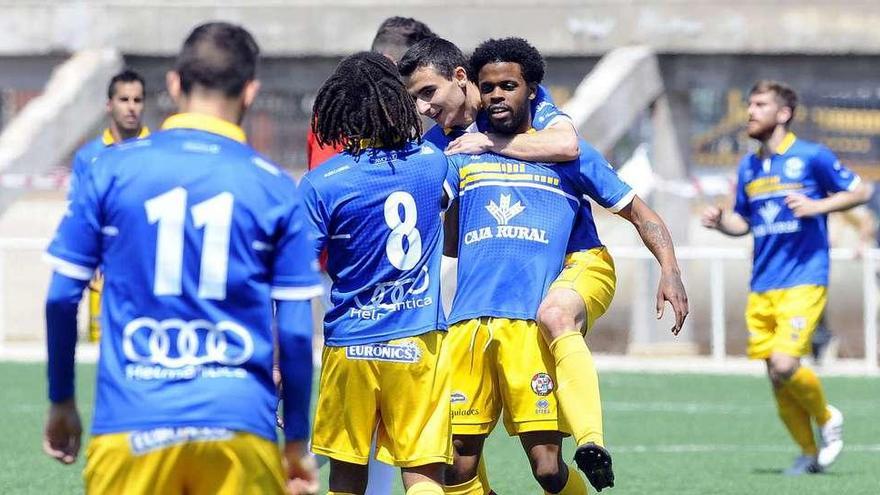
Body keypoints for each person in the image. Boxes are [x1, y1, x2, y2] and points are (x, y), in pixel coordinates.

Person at [42, 21, 322, 494]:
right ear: (250, 91)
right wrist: (295, 439)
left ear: (173, 84)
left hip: (132, 424)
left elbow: (60, 297)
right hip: (238, 427)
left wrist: (62, 400)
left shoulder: (111, 169)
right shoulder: (274, 186)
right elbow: (295, 331)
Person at [400, 36, 674, 492]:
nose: (424, 107)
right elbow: (445, 240)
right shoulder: (443, 152)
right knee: (458, 464)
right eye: (415, 99)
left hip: (531, 315)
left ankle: (592, 440)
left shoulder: (557, 143)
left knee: (547, 469)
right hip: (470, 319)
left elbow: (629, 202)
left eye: (428, 93)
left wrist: (670, 267)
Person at [300, 51, 456, 495]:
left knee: (346, 475)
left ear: (342, 112)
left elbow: (294, 274)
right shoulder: (434, 163)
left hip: (351, 344)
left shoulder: (322, 182)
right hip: (418, 339)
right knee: (424, 472)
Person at [702, 80, 871, 475]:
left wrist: (817, 206)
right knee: (776, 379)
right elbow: (743, 221)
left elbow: (861, 191)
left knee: (784, 364)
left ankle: (827, 416)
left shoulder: (811, 156)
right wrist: (721, 222)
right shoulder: (748, 166)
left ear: (783, 113)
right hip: (762, 283)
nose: (750, 112)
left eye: (759, 105)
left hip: (804, 277)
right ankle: (809, 452)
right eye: (749, 104)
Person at [69, 69, 151, 343]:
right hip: (103, 277)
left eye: (137, 100)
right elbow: (79, 214)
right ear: (109, 105)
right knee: (99, 354)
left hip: (147, 273)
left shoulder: (158, 151)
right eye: (124, 99)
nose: (131, 107)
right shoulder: (88, 157)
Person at [305, 16, 436, 169]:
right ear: (389, 62)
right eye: (415, 70)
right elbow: (327, 184)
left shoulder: (410, 106)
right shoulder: (343, 114)